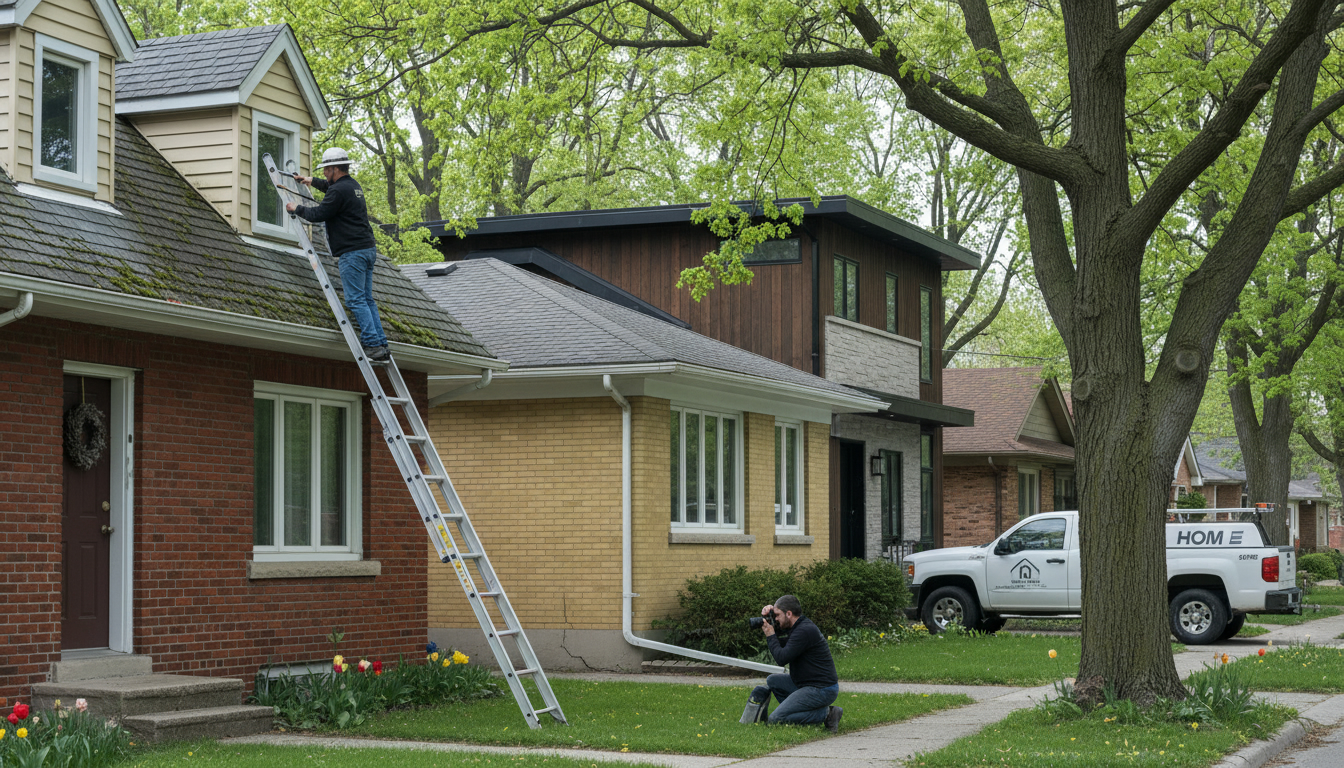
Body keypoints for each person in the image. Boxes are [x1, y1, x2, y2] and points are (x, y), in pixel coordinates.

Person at [286, 147, 390, 363]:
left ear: (334, 169)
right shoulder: (352, 186)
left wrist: (296, 208)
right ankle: (381, 344)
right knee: (367, 299)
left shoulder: (339, 191)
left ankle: (371, 343)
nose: (324, 173)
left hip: (353, 253)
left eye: (326, 170)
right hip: (367, 249)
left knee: (355, 300)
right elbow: (330, 188)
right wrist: (309, 180)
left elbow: (319, 213)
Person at [752, 594, 843, 732]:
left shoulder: (804, 630)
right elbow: (782, 639)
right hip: (804, 683)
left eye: (777, 615)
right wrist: (770, 612)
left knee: (775, 719)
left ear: (788, 614)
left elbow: (781, 658)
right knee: (773, 680)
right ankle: (797, 711)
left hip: (822, 689)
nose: (775, 619)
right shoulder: (796, 627)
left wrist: (770, 635)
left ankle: (827, 714)